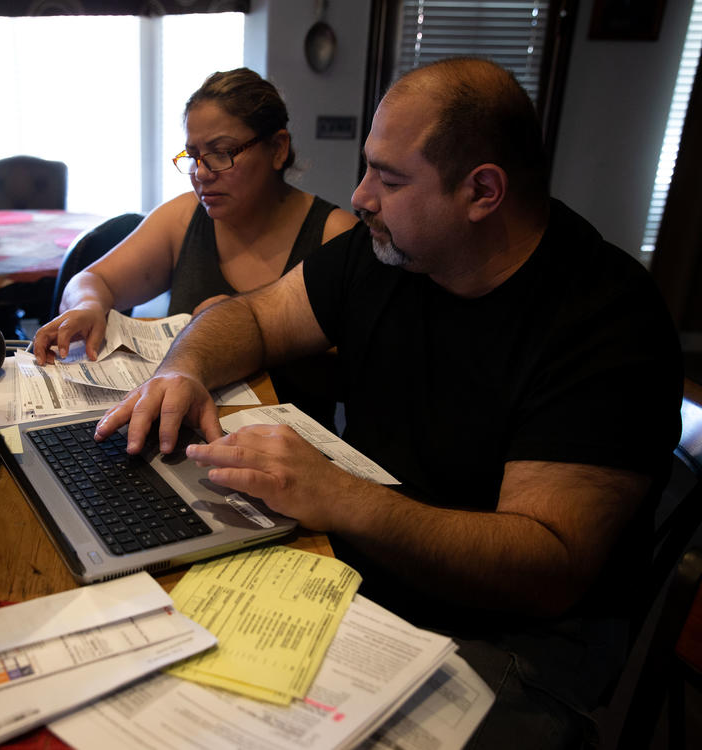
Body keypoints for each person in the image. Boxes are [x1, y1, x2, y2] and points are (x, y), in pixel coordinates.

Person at [93, 58, 684, 748]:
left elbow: (544, 570)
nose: (361, 196)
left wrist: (339, 497)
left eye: (390, 178)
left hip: (515, 642)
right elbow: (253, 317)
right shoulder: (390, 252)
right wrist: (183, 368)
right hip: (371, 576)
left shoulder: (606, 321)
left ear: (483, 191)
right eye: (368, 168)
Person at [32, 67, 357, 429]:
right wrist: (90, 304)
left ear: (278, 149)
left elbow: (368, 376)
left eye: (221, 153)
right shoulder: (185, 217)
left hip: (292, 450)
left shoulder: (335, 234)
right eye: (193, 156)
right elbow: (92, 279)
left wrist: (239, 330)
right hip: (183, 437)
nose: (201, 173)